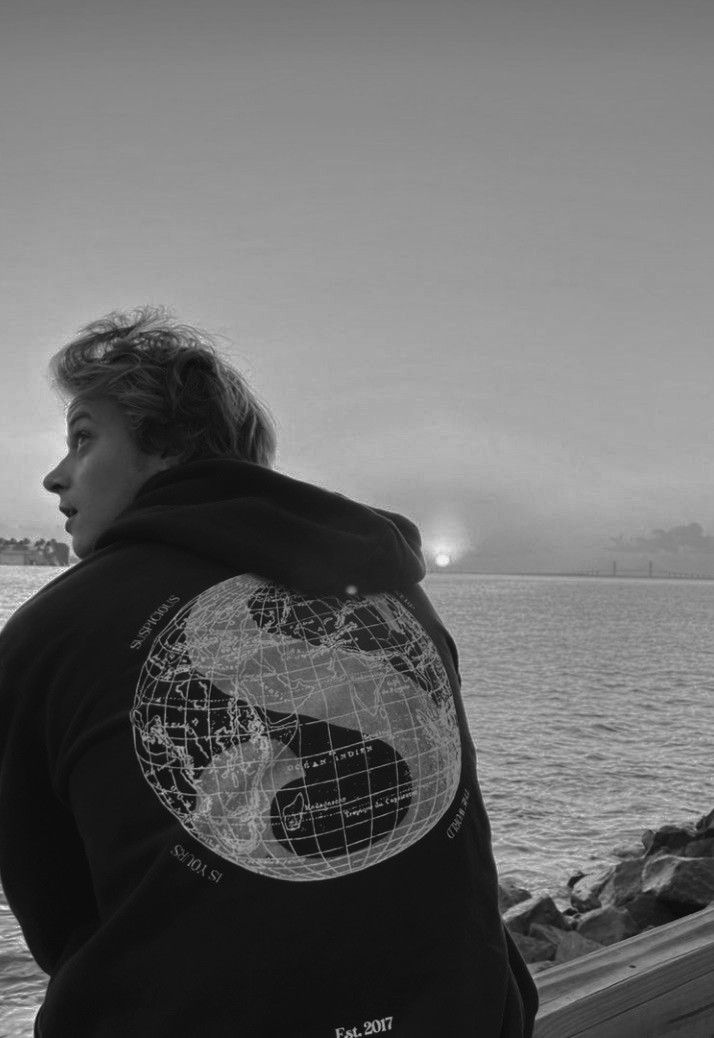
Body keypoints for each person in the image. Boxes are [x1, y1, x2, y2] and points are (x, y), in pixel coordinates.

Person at [0, 309, 538, 1037]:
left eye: (84, 438)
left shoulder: (50, 633)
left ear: (167, 446)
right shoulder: (391, 593)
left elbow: (55, 911)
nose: (56, 475)